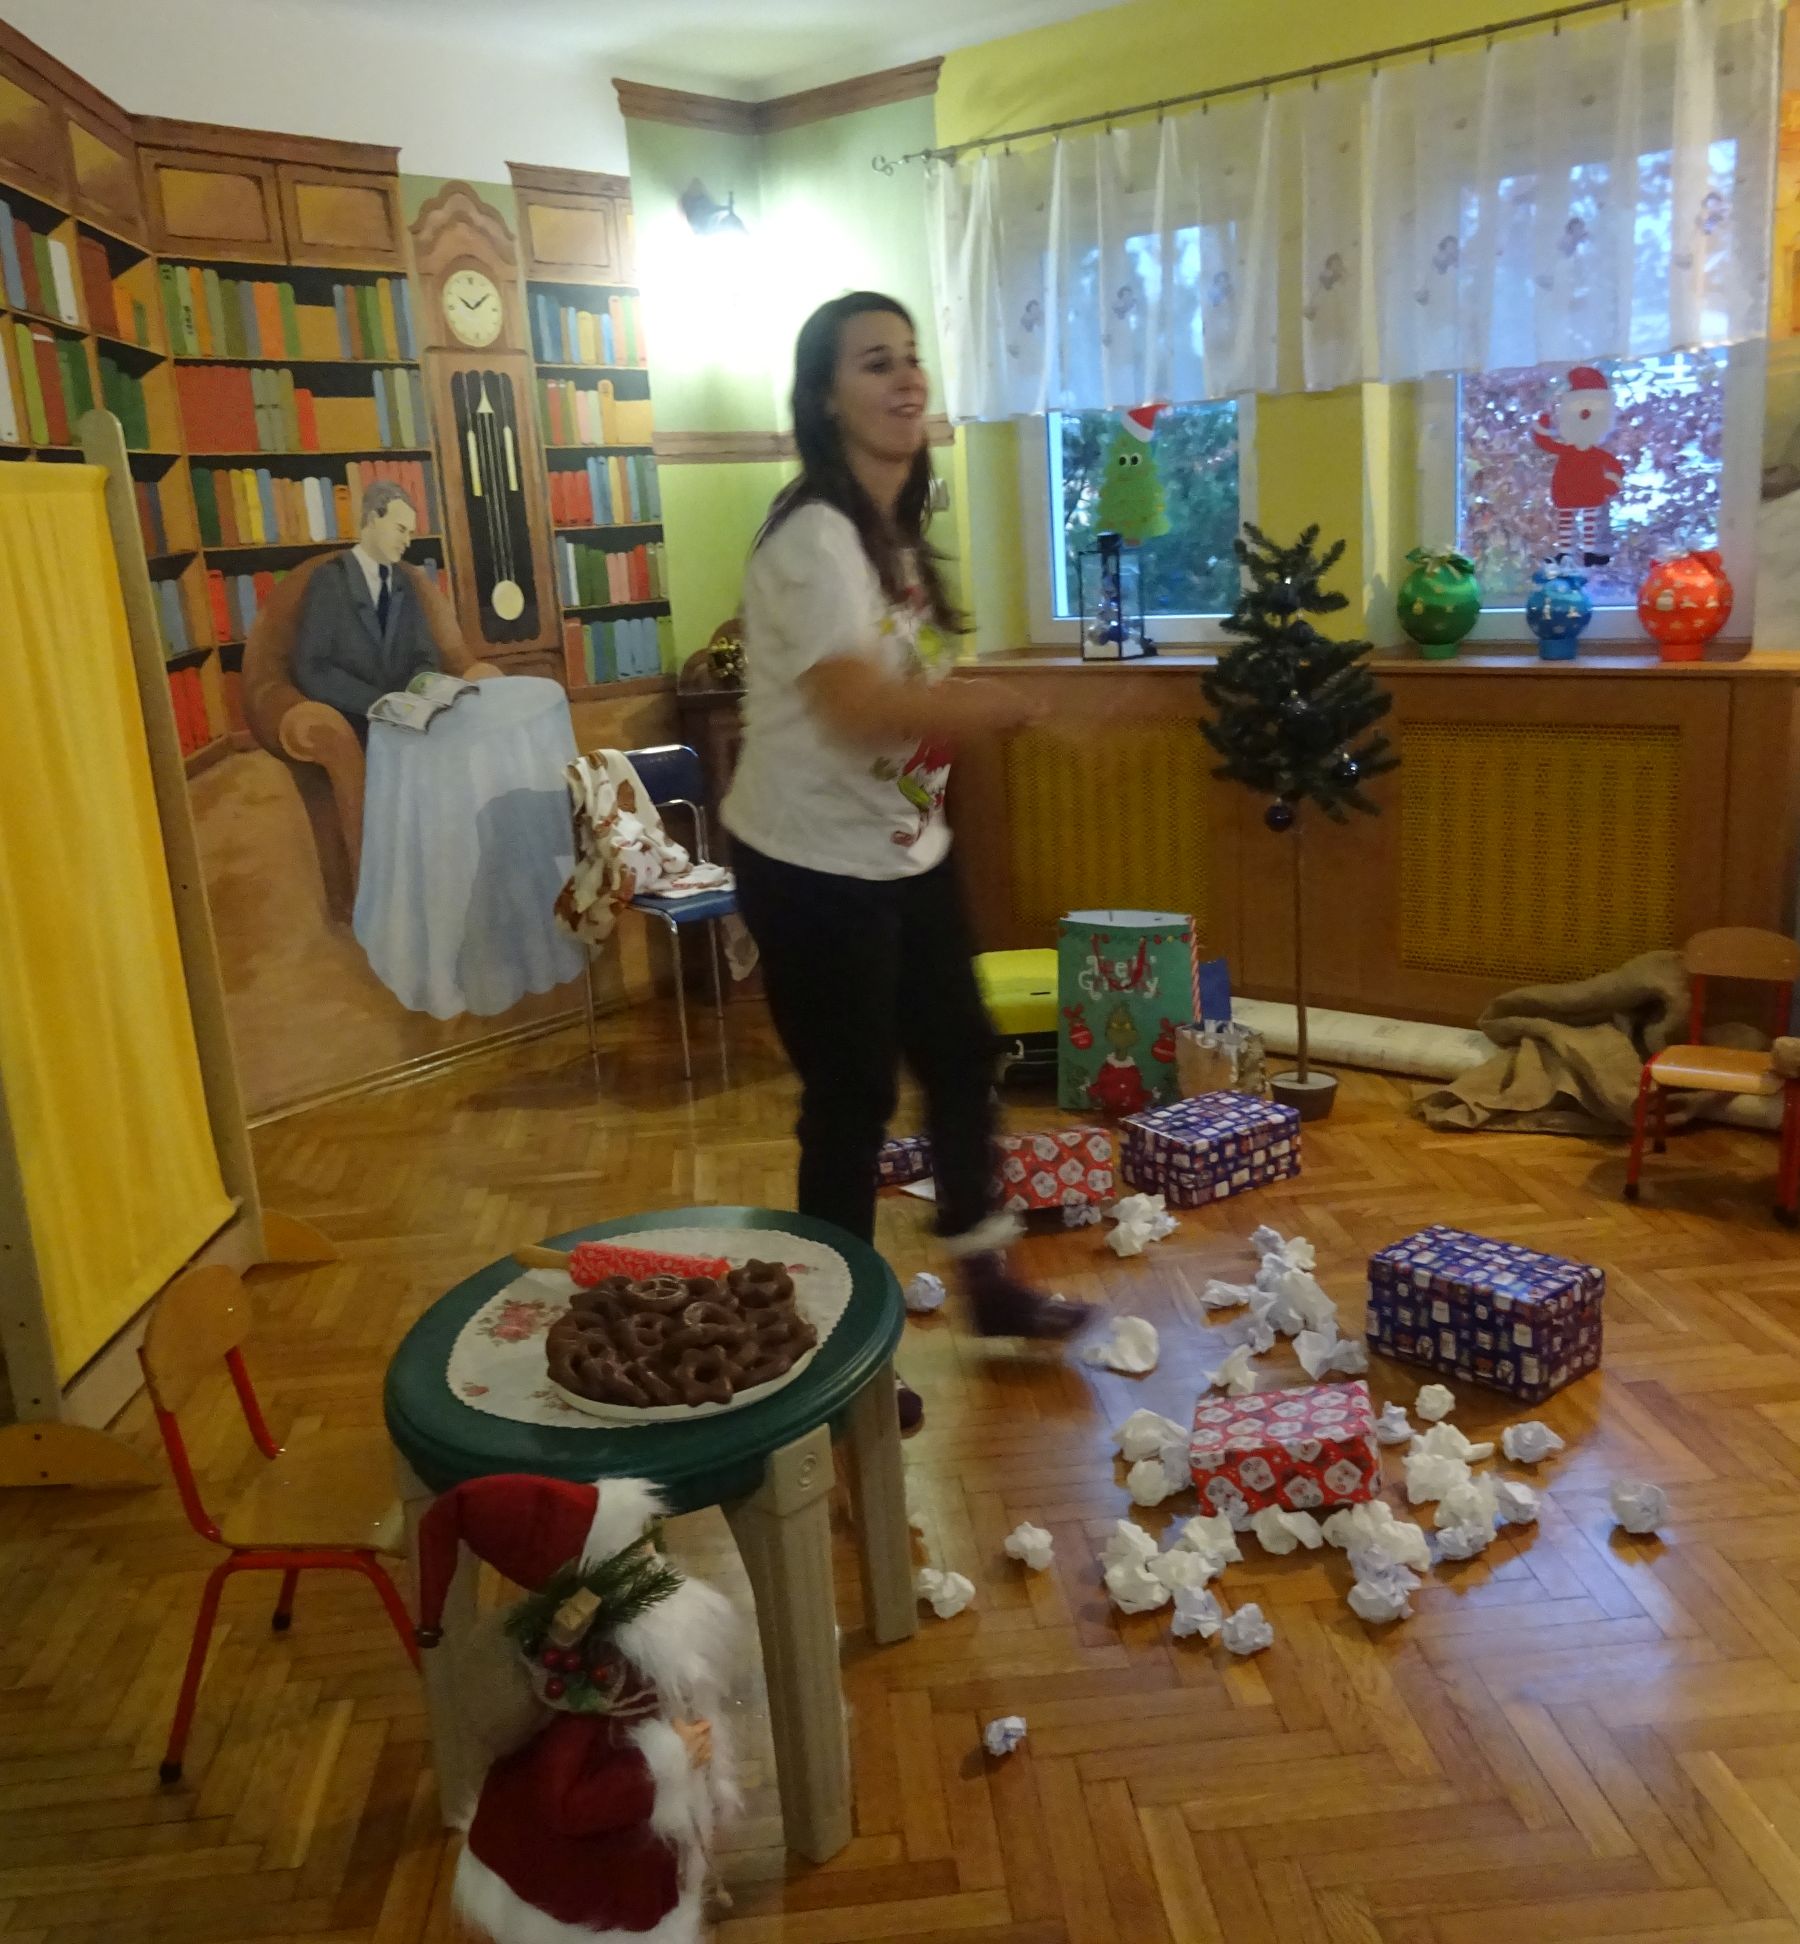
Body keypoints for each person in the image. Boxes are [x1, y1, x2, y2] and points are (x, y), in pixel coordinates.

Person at [723, 292, 1092, 1426]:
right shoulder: (813, 540)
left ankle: (989, 1284)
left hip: (902, 849)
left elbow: (910, 685)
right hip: (807, 865)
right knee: (852, 1103)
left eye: (913, 358)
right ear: (826, 399)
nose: (907, 379)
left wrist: (992, 701)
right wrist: (1000, 707)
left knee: (964, 1058)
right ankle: (837, 1368)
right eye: (876, 363)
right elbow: (859, 703)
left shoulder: (893, 540)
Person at [291, 482, 440, 739]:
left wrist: (415, 698)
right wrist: (378, 704)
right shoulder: (330, 580)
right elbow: (312, 668)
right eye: (400, 529)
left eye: (410, 533)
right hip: (355, 720)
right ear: (372, 520)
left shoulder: (404, 581)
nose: (407, 542)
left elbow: (425, 654)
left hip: (409, 719)